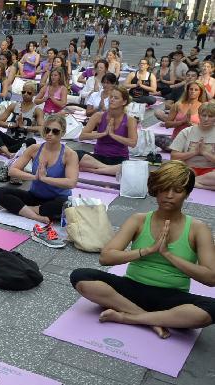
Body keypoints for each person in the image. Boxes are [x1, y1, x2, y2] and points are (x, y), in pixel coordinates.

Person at [70, 161, 215, 339]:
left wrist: (167, 254)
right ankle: (152, 320)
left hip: (172, 298)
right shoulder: (138, 220)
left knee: (209, 310)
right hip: (132, 289)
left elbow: (211, 278)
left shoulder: (198, 229)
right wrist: (148, 250)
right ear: (156, 189)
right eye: (164, 189)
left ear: (187, 193)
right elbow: (106, 257)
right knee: (81, 276)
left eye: (177, 191)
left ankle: (128, 317)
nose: (169, 195)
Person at [0, 114, 79, 247]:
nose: (50, 134)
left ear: (62, 133)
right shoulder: (35, 149)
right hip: (35, 196)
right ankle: (37, 216)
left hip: (57, 199)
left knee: (63, 206)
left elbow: (71, 182)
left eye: (55, 131)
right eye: (47, 130)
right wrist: (35, 177)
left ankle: (24, 209)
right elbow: (12, 170)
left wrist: (46, 179)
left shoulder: (69, 154)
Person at [76, 86, 138, 177]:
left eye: (116, 98)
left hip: (118, 160)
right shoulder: (98, 116)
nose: (112, 99)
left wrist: (113, 135)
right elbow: (82, 136)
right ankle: (105, 169)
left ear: (124, 102)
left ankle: (96, 170)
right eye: (111, 97)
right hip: (98, 158)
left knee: (126, 168)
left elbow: (133, 143)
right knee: (75, 154)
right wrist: (103, 134)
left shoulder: (130, 120)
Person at [0, 81, 42, 159]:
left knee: (32, 141)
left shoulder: (37, 110)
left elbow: (41, 128)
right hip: (9, 139)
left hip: (23, 142)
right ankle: (8, 153)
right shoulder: (14, 105)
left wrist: (24, 127)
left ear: (34, 94)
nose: (25, 94)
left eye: (28, 93)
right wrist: (12, 125)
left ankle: (0, 151)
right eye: (23, 92)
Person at [169, 101, 215, 190]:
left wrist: (205, 153)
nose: (206, 119)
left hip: (211, 171)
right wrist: (194, 152)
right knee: (172, 172)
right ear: (199, 116)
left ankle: (192, 182)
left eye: (210, 116)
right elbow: (174, 156)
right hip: (188, 169)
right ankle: (200, 184)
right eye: (204, 115)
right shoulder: (187, 132)